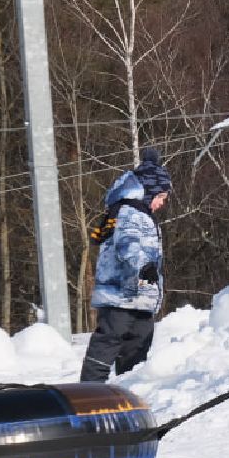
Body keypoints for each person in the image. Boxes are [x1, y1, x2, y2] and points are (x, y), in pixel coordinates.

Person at [79, 147, 171, 383]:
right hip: (120, 295)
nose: (162, 203)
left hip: (139, 296)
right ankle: (89, 392)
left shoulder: (143, 215)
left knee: (138, 347)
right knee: (109, 342)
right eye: (160, 197)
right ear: (149, 192)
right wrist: (144, 266)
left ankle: (128, 390)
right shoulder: (130, 211)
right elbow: (127, 244)